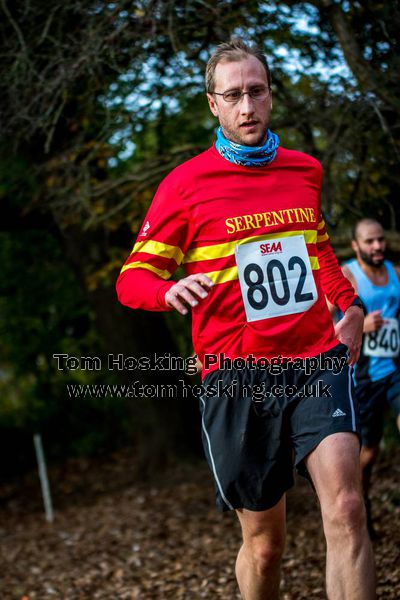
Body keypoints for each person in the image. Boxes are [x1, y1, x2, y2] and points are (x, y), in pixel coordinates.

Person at [117, 39, 375, 599]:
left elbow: (319, 251)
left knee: (349, 508)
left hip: (313, 360)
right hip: (236, 375)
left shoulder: (304, 171)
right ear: (214, 104)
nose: (247, 107)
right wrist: (168, 291)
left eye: (256, 92)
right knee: (264, 543)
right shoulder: (184, 186)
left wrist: (350, 306)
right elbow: (130, 281)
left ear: (270, 95)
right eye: (233, 95)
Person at [341, 218, 400, 537]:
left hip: (393, 370)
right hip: (361, 378)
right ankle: (364, 509)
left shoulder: (395, 274)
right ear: (356, 246)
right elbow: (324, 326)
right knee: (369, 454)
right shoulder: (347, 275)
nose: (377, 246)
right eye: (369, 242)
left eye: (380, 240)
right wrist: (360, 328)